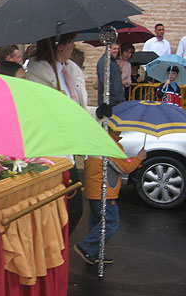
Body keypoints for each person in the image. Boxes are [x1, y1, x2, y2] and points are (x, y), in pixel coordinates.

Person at [25, 33, 104, 236]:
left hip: (68, 150)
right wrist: (54, 105)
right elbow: (35, 114)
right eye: (70, 41)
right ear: (59, 46)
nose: (73, 45)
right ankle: (51, 252)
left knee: (72, 210)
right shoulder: (36, 75)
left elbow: (77, 108)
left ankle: (57, 252)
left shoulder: (69, 71)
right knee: (62, 209)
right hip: (51, 152)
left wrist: (97, 113)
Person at [74, 128, 146, 265]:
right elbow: (125, 167)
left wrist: (133, 161)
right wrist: (139, 158)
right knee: (111, 221)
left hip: (94, 189)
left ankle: (95, 253)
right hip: (104, 190)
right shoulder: (111, 144)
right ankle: (87, 247)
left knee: (97, 221)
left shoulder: (99, 139)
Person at [96, 41, 125, 106]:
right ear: (108, 49)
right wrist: (115, 95)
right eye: (114, 49)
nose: (116, 51)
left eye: (118, 49)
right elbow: (105, 82)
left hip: (117, 100)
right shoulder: (104, 62)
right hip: (110, 101)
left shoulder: (113, 62)